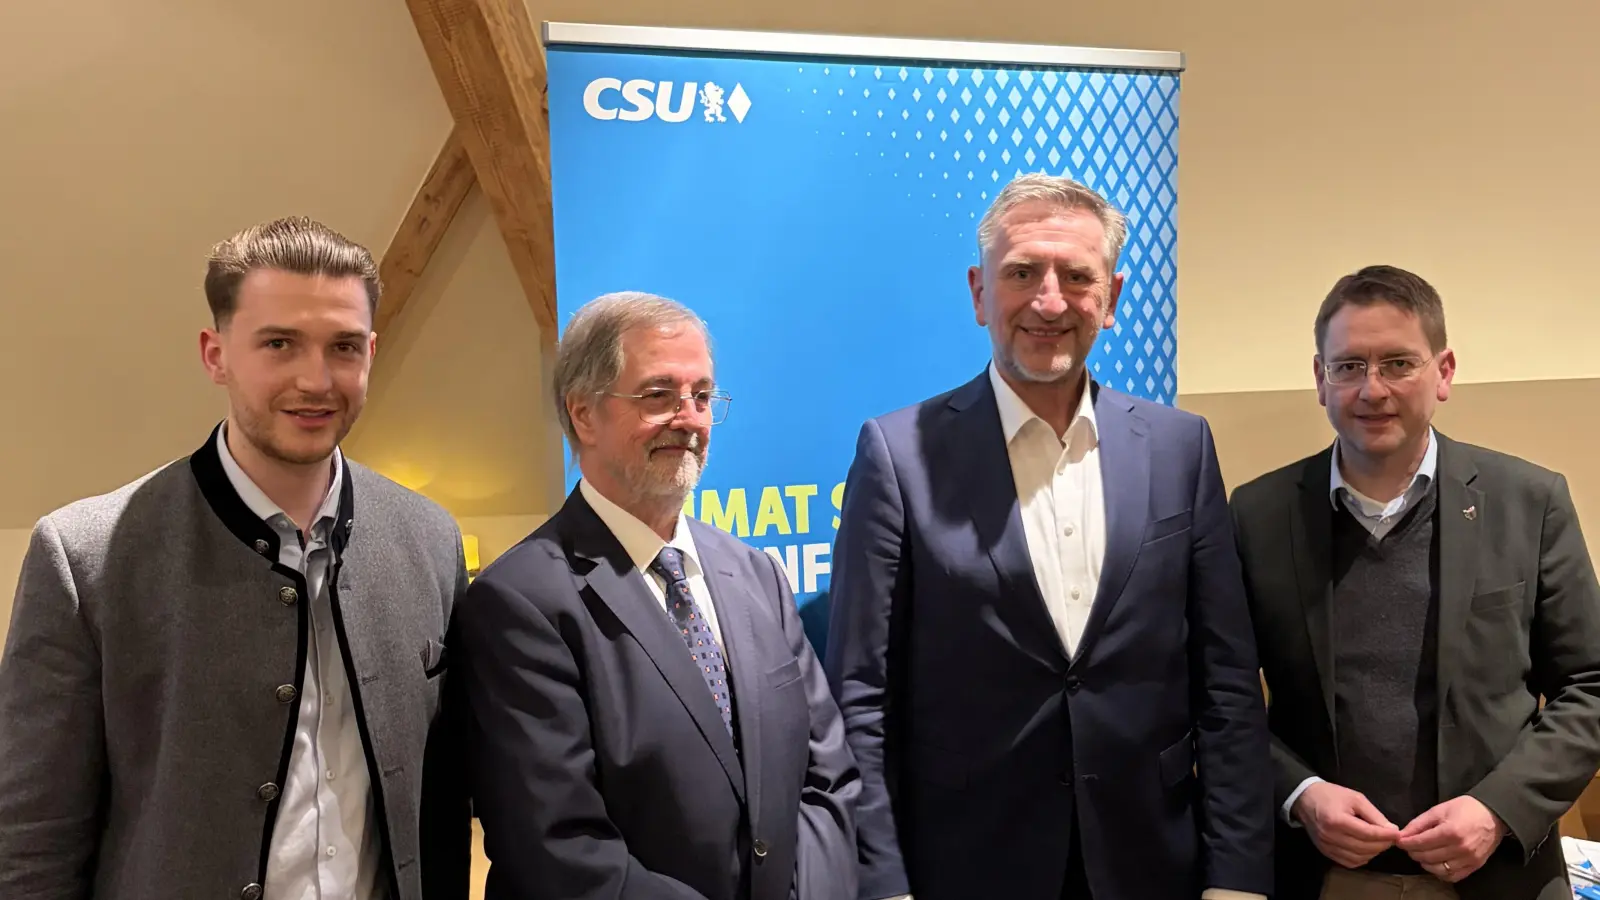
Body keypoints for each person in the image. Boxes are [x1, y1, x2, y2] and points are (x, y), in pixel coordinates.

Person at [824, 172, 1274, 900]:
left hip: (1150, 862)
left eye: (1076, 276)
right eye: (1022, 273)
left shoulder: (1180, 448)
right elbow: (861, 695)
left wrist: (1239, 878)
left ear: (1113, 297)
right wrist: (881, 882)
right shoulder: (898, 455)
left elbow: (1224, 685)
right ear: (978, 293)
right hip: (967, 865)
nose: (1049, 301)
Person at [0, 216, 472, 900]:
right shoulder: (86, 557)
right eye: (279, 344)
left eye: (342, 346)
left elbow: (447, 797)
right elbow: (32, 843)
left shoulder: (429, 539)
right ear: (215, 353)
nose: (316, 380)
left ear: (370, 351)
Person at [453, 291, 859, 900]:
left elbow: (828, 778)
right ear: (583, 414)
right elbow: (557, 847)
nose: (690, 419)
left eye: (701, 396)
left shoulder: (755, 575)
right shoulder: (520, 603)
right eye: (659, 395)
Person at [1229, 264, 1600, 900]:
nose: (1373, 389)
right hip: (1320, 877)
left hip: (1498, 872)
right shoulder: (1256, 515)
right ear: (1319, 379)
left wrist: (1496, 810)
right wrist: (1300, 793)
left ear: (1444, 372)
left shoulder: (1530, 502)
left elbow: (1590, 687)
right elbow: (1220, 700)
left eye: (1398, 363)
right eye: (1348, 366)